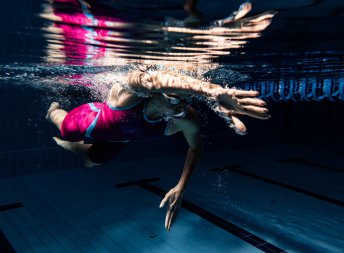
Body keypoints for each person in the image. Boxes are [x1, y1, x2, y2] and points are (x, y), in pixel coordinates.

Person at [46, 70, 270, 231]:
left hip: (122, 138)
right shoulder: (130, 95)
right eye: (175, 98)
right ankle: (53, 112)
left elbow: (196, 147)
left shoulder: (184, 117)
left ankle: (77, 149)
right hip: (92, 121)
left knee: (91, 160)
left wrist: (181, 187)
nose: (182, 105)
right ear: (158, 94)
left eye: (187, 99)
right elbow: (152, 79)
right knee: (66, 128)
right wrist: (212, 90)